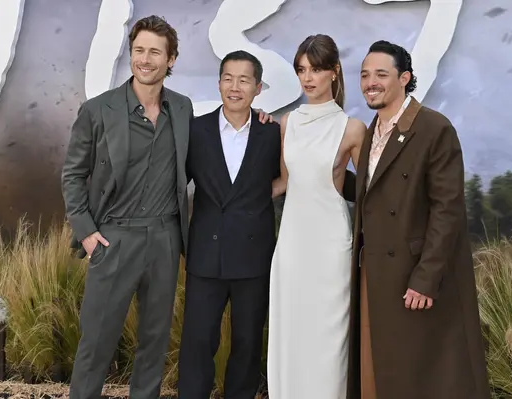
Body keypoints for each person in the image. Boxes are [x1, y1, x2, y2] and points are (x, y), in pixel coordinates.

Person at [62, 15, 271, 399]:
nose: (146, 59)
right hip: (113, 238)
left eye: (155, 52)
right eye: (139, 50)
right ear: (131, 55)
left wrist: (258, 121)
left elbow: (216, 151)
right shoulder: (98, 110)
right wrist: (87, 233)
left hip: (164, 237)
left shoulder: (181, 108)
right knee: (96, 344)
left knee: (154, 344)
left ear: (171, 59)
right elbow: (72, 175)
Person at [348, 40, 490, 399]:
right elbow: (376, 194)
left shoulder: (433, 128)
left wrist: (426, 279)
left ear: (404, 78)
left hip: (414, 276)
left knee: (424, 375)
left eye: (381, 74)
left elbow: (448, 209)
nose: (370, 82)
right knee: (382, 373)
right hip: (375, 274)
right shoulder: (371, 132)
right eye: (365, 75)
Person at [267, 34, 366, 398]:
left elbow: (373, 190)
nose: (307, 78)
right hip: (292, 245)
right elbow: (283, 183)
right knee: (291, 335)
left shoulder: (353, 129)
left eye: (316, 69)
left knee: (328, 344)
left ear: (334, 72)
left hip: (330, 249)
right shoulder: (286, 122)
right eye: (301, 70)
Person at [177, 50, 280, 399]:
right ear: (219, 82)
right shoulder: (196, 130)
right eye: (228, 78)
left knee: (248, 345)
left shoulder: (272, 133)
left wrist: (257, 199)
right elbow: (176, 184)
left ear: (258, 87)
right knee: (197, 344)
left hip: (253, 256)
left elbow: (288, 178)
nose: (234, 87)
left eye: (244, 80)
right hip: (207, 255)